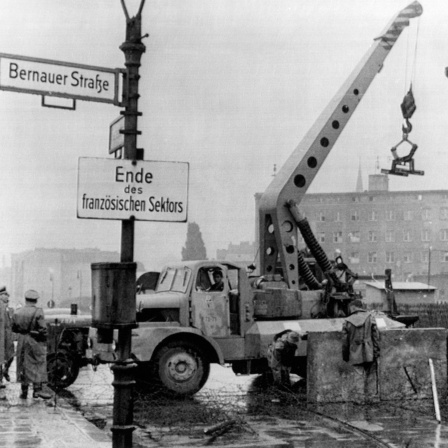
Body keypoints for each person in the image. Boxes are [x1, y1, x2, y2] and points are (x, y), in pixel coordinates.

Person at [12, 290, 52, 400]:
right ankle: (36, 390)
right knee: (36, 363)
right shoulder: (38, 312)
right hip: (34, 340)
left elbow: (14, 328)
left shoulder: (17, 312)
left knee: (22, 363)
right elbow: (43, 329)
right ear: (36, 300)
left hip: (22, 339)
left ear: (26, 299)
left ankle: (24, 391)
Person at [342, 299, 380, 403]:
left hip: (355, 352)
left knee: (358, 375)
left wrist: (345, 355)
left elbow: (345, 342)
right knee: (371, 374)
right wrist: (376, 351)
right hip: (369, 351)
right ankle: (372, 398)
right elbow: (375, 336)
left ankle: (360, 399)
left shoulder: (347, 321)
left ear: (353, 307)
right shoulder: (370, 317)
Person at [0, 286, 14, 387]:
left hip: (8, 336)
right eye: (5, 294)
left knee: (11, 356)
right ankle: (0, 380)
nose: (7, 296)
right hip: (1, 336)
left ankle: (5, 371)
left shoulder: (8, 308)